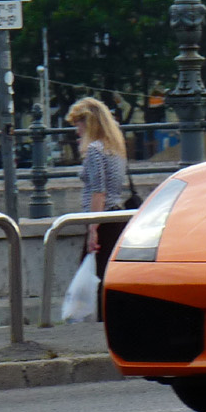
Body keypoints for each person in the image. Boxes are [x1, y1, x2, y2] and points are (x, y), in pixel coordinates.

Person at [67, 96, 128, 278]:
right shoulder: (115, 147)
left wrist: (93, 229)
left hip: (101, 222)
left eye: (78, 124)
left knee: (91, 279)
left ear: (89, 123)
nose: (77, 131)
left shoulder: (95, 149)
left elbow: (98, 192)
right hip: (115, 218)